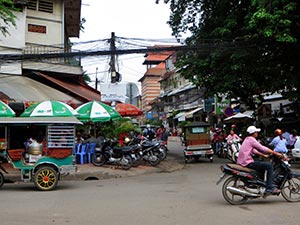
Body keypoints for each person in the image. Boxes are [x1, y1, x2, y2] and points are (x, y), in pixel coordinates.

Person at [237, 125, 282, 195]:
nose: (257, 133)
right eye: (256, 132)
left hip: (242, 161)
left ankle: (260, 184)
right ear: (254, 133)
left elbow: (253, 150)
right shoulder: (252, 140)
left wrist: (263, 155)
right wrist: (274, 153)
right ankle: (269, 187)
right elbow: (262, 148)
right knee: (269, 166)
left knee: (262, 166)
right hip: (247, 162)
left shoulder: (247, 139)